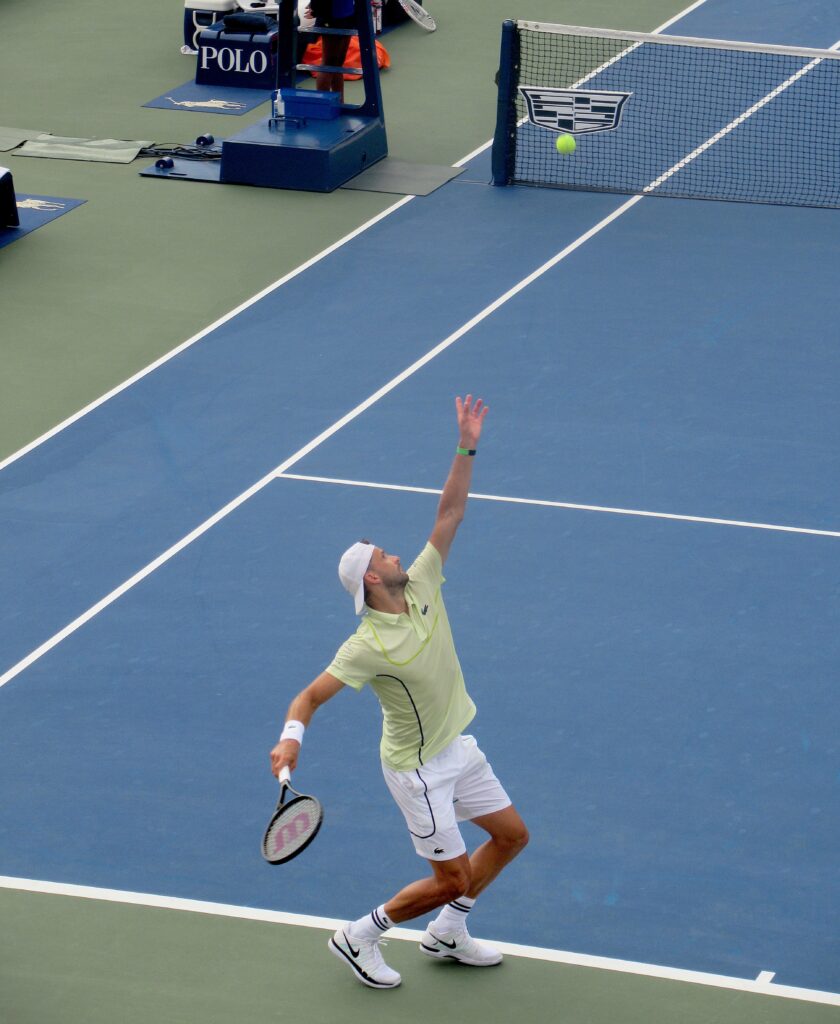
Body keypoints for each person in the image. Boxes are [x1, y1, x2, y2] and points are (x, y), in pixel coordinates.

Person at [269, 395, 529, 990]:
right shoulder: (365, 646)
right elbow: (309, 697)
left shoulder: (422, 582)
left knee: (512, 836)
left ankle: (448, 932)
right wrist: (291, 738)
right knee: (451, 879)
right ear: (371, 576)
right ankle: (359, 935)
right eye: (383, 554)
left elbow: (451, 512)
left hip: (455, 747)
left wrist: (466, 444)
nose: (395, 553)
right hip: (417, 772)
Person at [307, 0, 355, 101]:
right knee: (329, 63)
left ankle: (339, 103)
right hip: (331, 15)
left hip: (347, 13)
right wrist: (315, 6)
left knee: (338, 63)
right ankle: (323, 105)